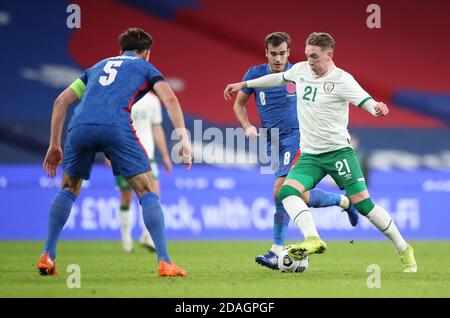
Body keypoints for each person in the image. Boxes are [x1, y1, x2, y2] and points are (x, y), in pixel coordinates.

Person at [224, 32, 417, 273]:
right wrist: (244, 85)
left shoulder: (343, 80)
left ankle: (404, 248)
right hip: (310, 156)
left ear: (329, 55)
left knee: (366, 206)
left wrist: (377, 108)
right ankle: (313, 238)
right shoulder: (301, 70)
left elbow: (366, 101)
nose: (309, 61)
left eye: (314, 57)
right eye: (307, 56)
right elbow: (276, 79)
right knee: (287, 192)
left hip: (339, 154)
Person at [38, 28, 192, 277]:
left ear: (119, 51)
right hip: (115, 127)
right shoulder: (145, 67)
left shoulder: (96, 67)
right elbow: (170, 99)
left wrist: (54, 144)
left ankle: (47, 254)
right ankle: (164, 262)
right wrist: (183, 138)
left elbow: (60, 102)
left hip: (80, 128)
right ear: (147, 54)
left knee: (68, 188)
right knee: (147, 189)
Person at [232, 32, 359, 270]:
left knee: (280, 191)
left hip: (297, 137)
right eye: (273, 53)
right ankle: (343, 202)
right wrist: (247, 126)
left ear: (289, 52)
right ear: (266, 53)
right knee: (296, 195)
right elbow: (238, 103)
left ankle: (276, 250)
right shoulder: (255, 74)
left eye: (282, 53)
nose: (278, 59)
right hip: (272, 140)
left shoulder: (300, 74)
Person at [107, 92, 173, 253]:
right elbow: (110, 126)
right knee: (126, 196)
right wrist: (108, 152)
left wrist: (165, 155)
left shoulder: (152, 100)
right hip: (123, 155)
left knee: (154, 193)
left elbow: (157, 128)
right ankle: (126, 238)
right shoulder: (120, 95)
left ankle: (147, 235)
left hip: (147, 156)